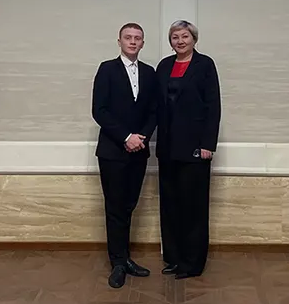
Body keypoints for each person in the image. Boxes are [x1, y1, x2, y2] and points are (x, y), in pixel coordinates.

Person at [91, 22, 158, 288]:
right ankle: (117, 263)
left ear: (143, 43)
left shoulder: (150, 73)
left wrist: (141, 137)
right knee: (115, 207)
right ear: (119, 41)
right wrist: (125, 137)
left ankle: (125, 257)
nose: (132, 41)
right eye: (128, 37)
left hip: (139, 151)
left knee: (129, 206)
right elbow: (99, 110)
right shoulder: (106, 69)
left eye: (137, 38)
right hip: (112, 151)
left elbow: (154, 111)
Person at [155, 20, 221, 280]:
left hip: (195, 148)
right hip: (167, 148)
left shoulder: (205, 65)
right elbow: (156, 105)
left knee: (193, 207)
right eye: (175, 37)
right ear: (170, 41)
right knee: (170, 205)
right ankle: (174, 258)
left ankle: (192, 263)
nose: (180, 41)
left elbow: (213, 106)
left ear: (194, 39)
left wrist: (207, 144)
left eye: (185, 36)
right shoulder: (163, 66)